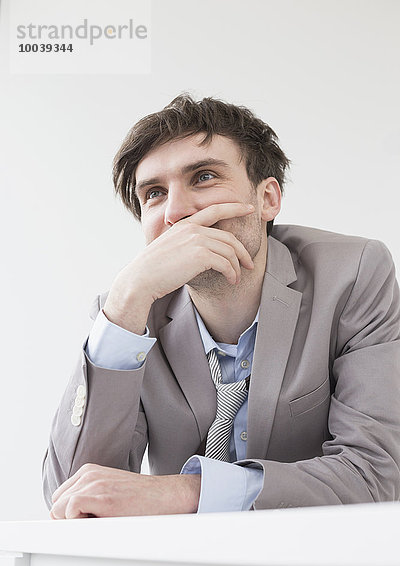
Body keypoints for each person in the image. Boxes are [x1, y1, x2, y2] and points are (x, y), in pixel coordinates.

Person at [43, 93, 400, 519]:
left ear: (268, 199)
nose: (175, 212)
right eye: (154, 194)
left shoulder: (354, 274)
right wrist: (122, 307)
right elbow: (72, 496)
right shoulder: (131, 313)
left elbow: (376, 474)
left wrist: (184, 493)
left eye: (204, 176)